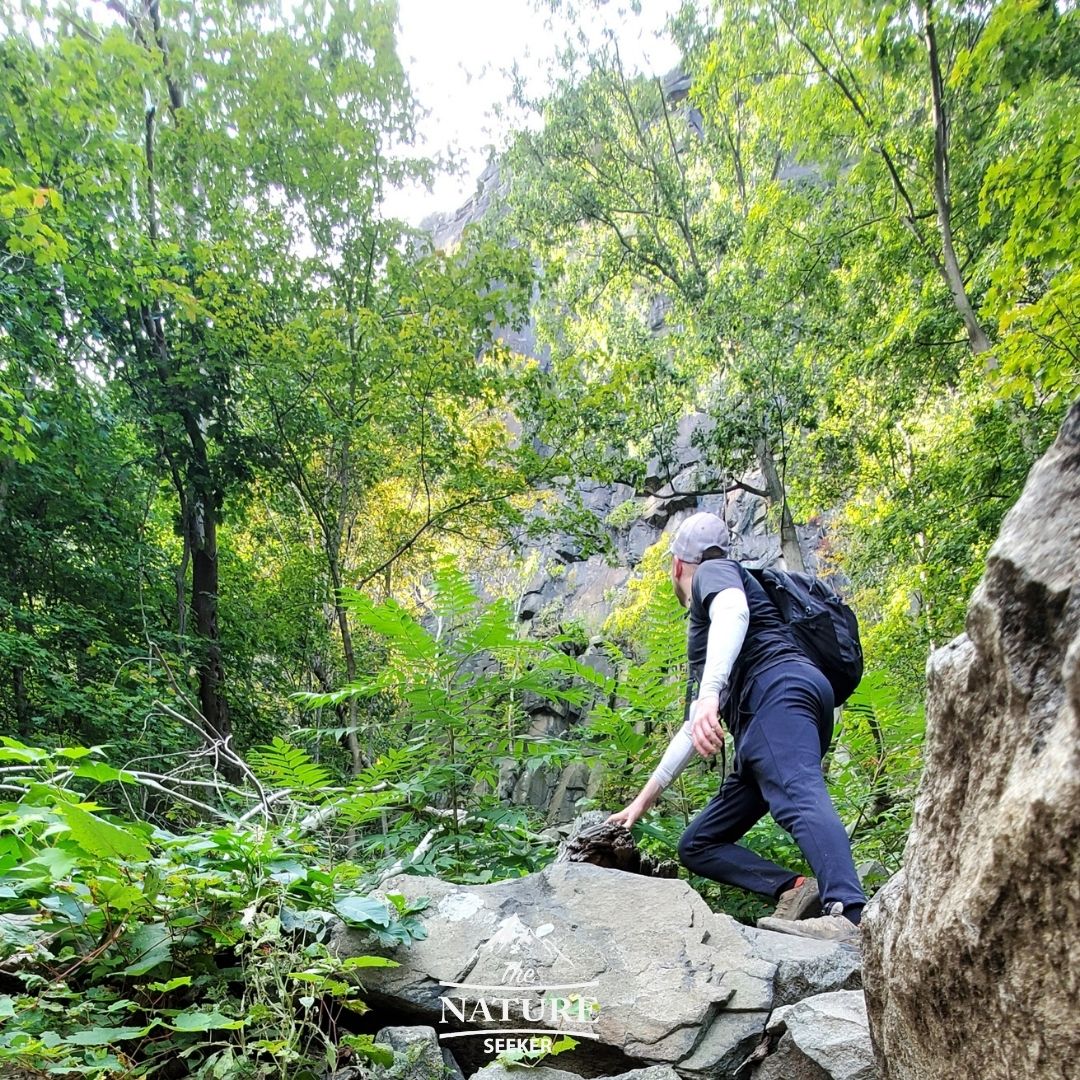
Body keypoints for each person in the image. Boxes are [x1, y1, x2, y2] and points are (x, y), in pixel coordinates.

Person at [606, 511, 866, 943]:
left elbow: (733, 610)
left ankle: (850, 914)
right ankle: (798, 889)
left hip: (776, 695)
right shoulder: (712, 624)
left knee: (798, 794)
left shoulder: (713, 573)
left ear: (676, 566)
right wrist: (641, 804)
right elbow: (694, 727)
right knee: (699, 844)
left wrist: (710, 693)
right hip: (772, 714)